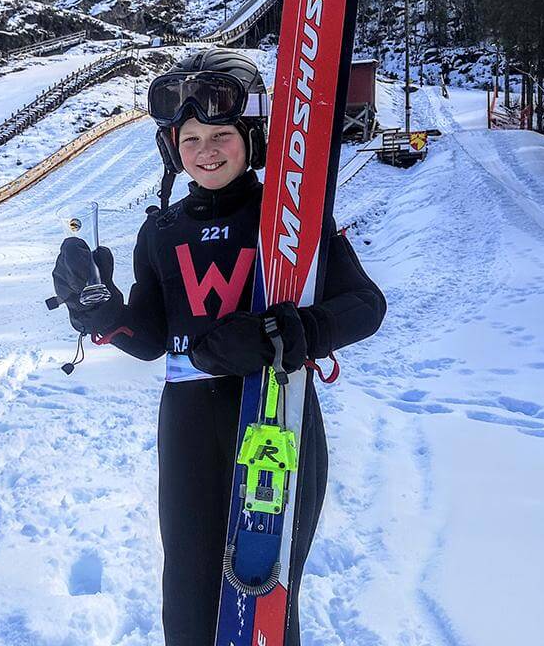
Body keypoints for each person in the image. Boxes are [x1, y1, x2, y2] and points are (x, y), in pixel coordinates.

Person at [51, 48, 386, 646]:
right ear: (171, 147)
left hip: (275, 416)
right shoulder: (161, 231)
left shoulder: (290, 217)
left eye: (221, 135)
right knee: (188, 592)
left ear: (252, 137)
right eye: (191, 139)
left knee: (265, 590)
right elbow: (150, 337)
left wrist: (281, 334)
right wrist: (99, 311)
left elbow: (364, 305)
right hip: (188, 425)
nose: (206, 150)